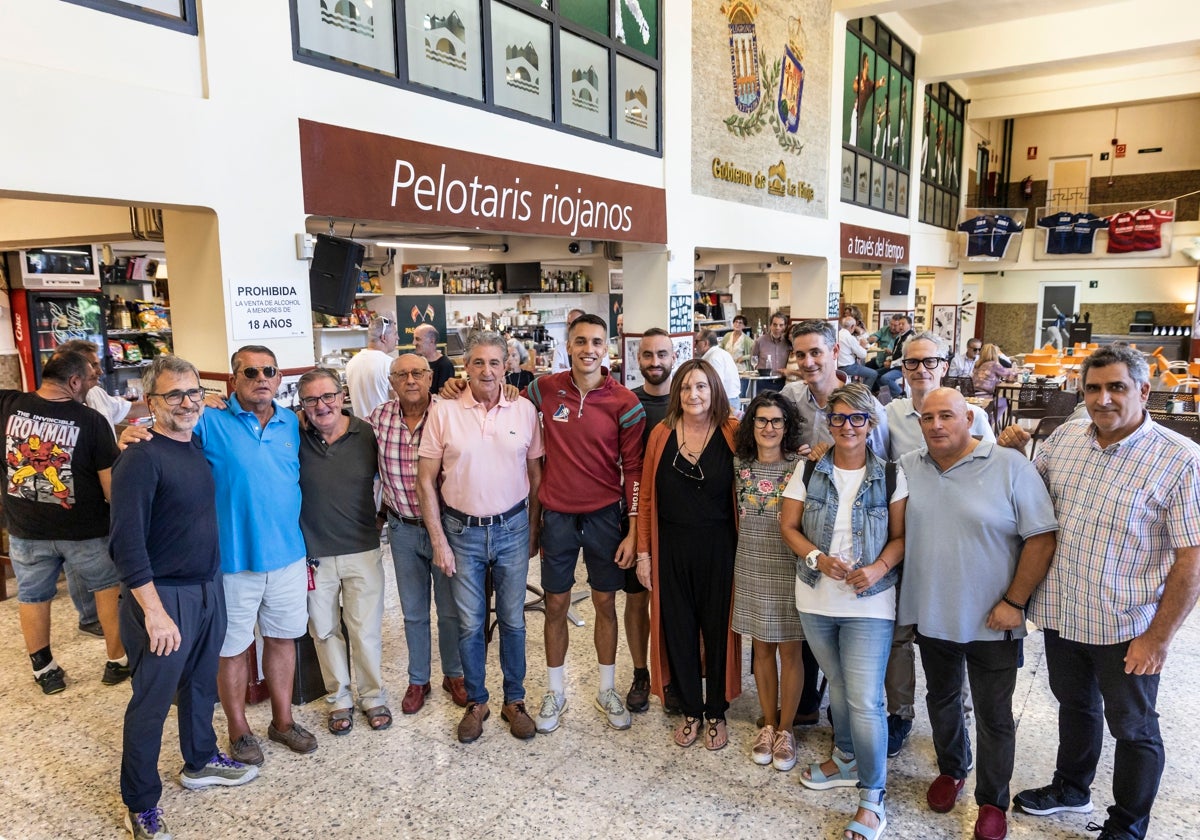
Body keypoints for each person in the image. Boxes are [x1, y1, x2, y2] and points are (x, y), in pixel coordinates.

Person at [1005, 345, 1200, 840]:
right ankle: (1072, 787)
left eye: (1117, 387)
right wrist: (1011, 455)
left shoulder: (1180, 461)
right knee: (1075, 707)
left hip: (1126, 625)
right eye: (1093, 388)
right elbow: (1030, 493)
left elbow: (1191, 558)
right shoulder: (1066, 437)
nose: (1103, 398)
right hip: (1064, 613)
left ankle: (1128, 825)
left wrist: (1158, 638)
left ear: (1143, 391)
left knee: (1134, 728)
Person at [124, 346, 315, 765]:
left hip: (287, 556)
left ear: (279, 378)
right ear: (233, 381)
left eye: (269, 370)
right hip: (230, 563)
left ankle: (283, 721)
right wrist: (131, 430)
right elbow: (167, 431)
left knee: (284, 641)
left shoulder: (290, 423)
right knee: (232, 649)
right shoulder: (209, 420)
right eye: (250, 372)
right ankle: (239, 730)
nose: (261, 378)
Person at [899, 388, 1057, 840]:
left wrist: (1015, 603)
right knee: (942, 700)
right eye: (927, 418)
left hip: (994, 619)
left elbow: (1041, 538)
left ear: (969, 418)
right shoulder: (910, 467)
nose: (935, 425)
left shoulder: (1009, 466)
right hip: (932, 615)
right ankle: (952, 769)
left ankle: (992, 800)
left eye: (946, 416)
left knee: (993, 714)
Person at [111, 355, 257, 840]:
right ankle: (140, 803)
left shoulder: (194, 441)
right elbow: (125, 544)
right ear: (150, 402)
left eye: (194, 392)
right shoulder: (139, 456)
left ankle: (198, 760)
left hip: (207, 586)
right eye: (174, 395)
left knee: (200, 685)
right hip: (163, 597)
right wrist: (153, 612)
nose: (187, 402)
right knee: (151, 702)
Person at [780, 383, 907, 840]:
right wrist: (817, 559)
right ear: (829, 423)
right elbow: (788, 526)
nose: (847, 426)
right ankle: (848, 759)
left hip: (870, 602)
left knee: (865, 699)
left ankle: (872, 800)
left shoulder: (891, 474)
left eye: (857, 418)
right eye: (838, 418)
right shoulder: (809, 468)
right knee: (836, 683)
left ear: (871, 424)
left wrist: (877, 568)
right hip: (815, 595)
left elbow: (900, 537)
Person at [417, 332, 543, 743]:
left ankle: (515, 700)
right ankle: (477, 701)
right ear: (465, 367)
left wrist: (533, 529)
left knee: (513, 621)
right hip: (461, 532)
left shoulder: (524, 410)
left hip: (512, 528)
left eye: (494, 363)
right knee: (470, 624)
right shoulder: (444, 411)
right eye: (477, 363)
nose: (486, 371)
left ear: (506, 366)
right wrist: (438, 540)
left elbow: (536, 475)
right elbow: (425, 481)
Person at [526, 314, 646, 735]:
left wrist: (633, 530)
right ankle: (555, 691)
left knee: (604, 604)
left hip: (604, 516)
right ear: (568, 346)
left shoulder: (625, 403)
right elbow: (502, 396)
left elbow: (633, 470)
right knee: (555, 605)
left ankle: (607, 688)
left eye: (597, 342)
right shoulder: (543, 388)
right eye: (580, 341)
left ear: (607, 349)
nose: (588, 349)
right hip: (556, 515)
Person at [884, 331, 994, 757]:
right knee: (897, 632)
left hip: (953, 541)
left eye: (929, 361)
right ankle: (900, 714)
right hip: (904, 536)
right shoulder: (888, 414)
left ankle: (959, 718)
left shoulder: (971, 415)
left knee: (954, 631)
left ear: (944, 365)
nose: (921, 370)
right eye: (912, 363)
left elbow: (986, 469)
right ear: (902, 369)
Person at [1, 349, 128, 695]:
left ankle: (44, 668)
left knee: (32, 596)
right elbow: (110, 488)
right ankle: (117, 662)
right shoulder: (91, 421)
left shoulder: (8, 404)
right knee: (107, 589)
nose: (95, 382)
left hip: (25, 528)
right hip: (85, 531)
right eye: (91, 377)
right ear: (74, 381)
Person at [636, 359, 741, 751]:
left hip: (720, 547)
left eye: (701, 387)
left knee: (717, 628)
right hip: (671, 546)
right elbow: (646, 498)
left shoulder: (733, 432)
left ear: (714, 390)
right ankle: (691, 710)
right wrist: (644, 553)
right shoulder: (661, 434)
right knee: (676, 627)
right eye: (685, 388)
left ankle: (716, 709)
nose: (693, 395)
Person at [370, 353, 467, 715]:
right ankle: (418, 679)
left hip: (448, 528)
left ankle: (454, 674)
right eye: (401, 375)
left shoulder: (451, 411)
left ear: (430, 377)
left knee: (449, 610)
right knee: (412, 611)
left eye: (417, 373)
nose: (410, 380)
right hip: (403, 528)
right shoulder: (378, 419)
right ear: (391, 382)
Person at [297, 368, 391, 735]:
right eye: (312, 400)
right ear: (302, 405)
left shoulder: (366, 433)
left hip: (362, 549)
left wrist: (382, 516)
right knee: (324, 631)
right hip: (313, 554)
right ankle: (339, 699)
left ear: (342, 395)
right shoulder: (293, 434)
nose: (322, 406)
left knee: (365, 629)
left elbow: (393, 476)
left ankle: (373, 697)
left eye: (328, 396)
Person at [732, 392, 813, 772]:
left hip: (789, 566)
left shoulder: (802, 466)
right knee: (761, 649)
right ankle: (767, 723)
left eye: (776, 421)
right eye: (761, 420)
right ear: (752, 425)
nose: (768, 428)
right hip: (750, 564)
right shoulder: (739, 464)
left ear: (787, 426)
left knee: (790, 652)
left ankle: (786, 729)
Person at [54, 340, 124, 635]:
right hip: (76, 497)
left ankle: (110, 613)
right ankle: (89, 617)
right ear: (74, 374)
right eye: (91, 366)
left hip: (105, 487)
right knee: (79, 561)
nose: (98, 371)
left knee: (103, 559)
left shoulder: (95, 393)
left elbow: (124, 407)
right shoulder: (58, 407)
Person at [627, 328, 675, 713]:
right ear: (637, 359)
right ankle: (641, 672)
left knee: (674, 602)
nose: (655, 362)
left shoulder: (690, 401)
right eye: (648, 355)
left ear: (674, 356)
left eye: (662, 354)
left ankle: (673, 673)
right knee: (636, 598)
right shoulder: (627, 404)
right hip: (633, 516)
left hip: (678, 521)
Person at [781, 319, 889, 459]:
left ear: (835, 352)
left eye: (815, 353)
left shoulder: (870, 408)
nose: (808, 363)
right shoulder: (789, 396)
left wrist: (834, 460)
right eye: (801, 355)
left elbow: (880, 468)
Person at [345, 315, 397, 418]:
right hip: (383, 429)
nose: (397, 338)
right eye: (395, 334)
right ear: (383, 338)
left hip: (361, 429)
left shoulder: (352, 362)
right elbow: (397, 400)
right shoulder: (390, 363)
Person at [696, 329, 742, 415]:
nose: (695, 345)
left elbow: (716, 386)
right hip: (730, 400)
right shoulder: (722, 353)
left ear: (706, 343)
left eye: (697, 341)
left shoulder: (713, 358)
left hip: (725, 403)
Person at [836, 315, 878, 390]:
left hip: (838, 366)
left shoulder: (838, 334)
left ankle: (857, 389)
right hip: (848, 367)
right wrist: (862, 346)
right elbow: (863, 355)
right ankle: (864, 394)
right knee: (873, 374)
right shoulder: (849, 337)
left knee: (864, 366)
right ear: (852, 327)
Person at [413, 322, 457, 393]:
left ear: (432, 341)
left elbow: (443, 395)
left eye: (418, 339)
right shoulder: (417, 362)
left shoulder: (445, 365)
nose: (414, 343)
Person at [878, 315, 914, 398]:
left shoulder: (910, 338)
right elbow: (895, 353)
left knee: (885, 378)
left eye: (903, 324)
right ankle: (886, 395)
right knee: (876, 374)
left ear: (910, 325)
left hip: (903, 367)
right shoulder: (899, 337)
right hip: (896, 365)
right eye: (900, 324)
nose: (900, 326)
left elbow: (905, 358)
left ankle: (900, 394)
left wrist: (891, 364)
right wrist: (889, 359)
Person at [752, 311, 791, 379]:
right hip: (763, 381)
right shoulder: (760, 341)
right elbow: (753, 360)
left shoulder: (788, 342)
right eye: (775, 324)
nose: (777, 328)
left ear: (785, 326)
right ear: (770, 325)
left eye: (781, 325)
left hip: (782, 381)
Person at [550, 308, 586, 373]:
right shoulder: (560, 348)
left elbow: (600, 371)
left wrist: (567, 369)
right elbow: (555, 372)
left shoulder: (595, 346)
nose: (571, 327)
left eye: (575, 323)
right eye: (569, 324)